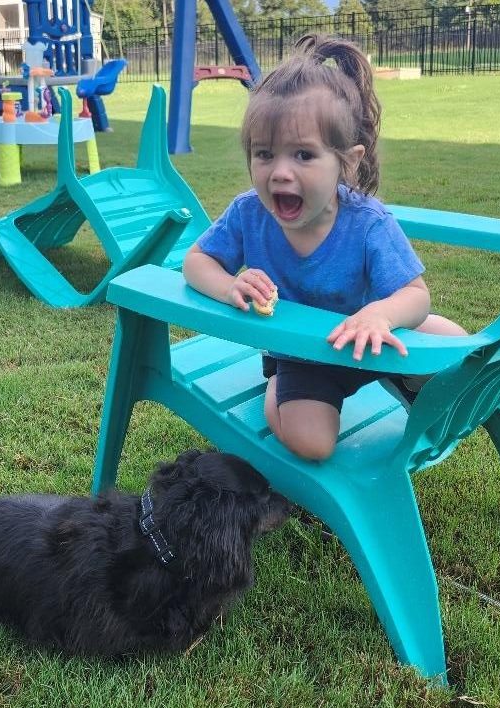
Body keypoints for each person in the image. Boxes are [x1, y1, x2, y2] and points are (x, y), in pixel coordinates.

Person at [183, 34, 467, 462]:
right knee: (312, 445)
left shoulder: (368, 222)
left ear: (347, 162)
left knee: (459, 350)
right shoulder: (249, 213)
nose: (279, 172)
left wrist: (379, 313)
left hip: (369, 338)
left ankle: (402, 380)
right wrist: (229, 286)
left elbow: (416, 296)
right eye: (264, 154)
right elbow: (196, 261)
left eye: (302, 155)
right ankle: (277, 387)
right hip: (302, 356)